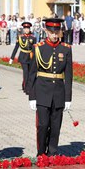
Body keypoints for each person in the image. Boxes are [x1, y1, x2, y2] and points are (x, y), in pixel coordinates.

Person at [27, 18, 73, 156]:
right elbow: (32, 74)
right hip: (42, 92)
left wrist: (68, 98)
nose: (54, 35)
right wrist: (32, 96)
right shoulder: (38, 48)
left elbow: (69, 75)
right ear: (46, 31)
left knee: (55, 126)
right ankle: (41, 153)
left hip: (58, 92)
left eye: (57, 32)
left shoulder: (66, 49)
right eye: (51, 32)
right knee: (42, 125)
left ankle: (52, 152)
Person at [9, 22, 36, 94]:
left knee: (30, 73)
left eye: (28, 28)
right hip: (23, 57)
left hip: (30, 56)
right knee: (26, 72)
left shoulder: (33, 37)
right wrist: (12, 58)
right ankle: (27, 89)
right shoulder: (20, 37)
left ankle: (26, 85)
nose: (26, 30)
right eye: (25, 28)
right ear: (23, 29)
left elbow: (35, 49)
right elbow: (16, 48)